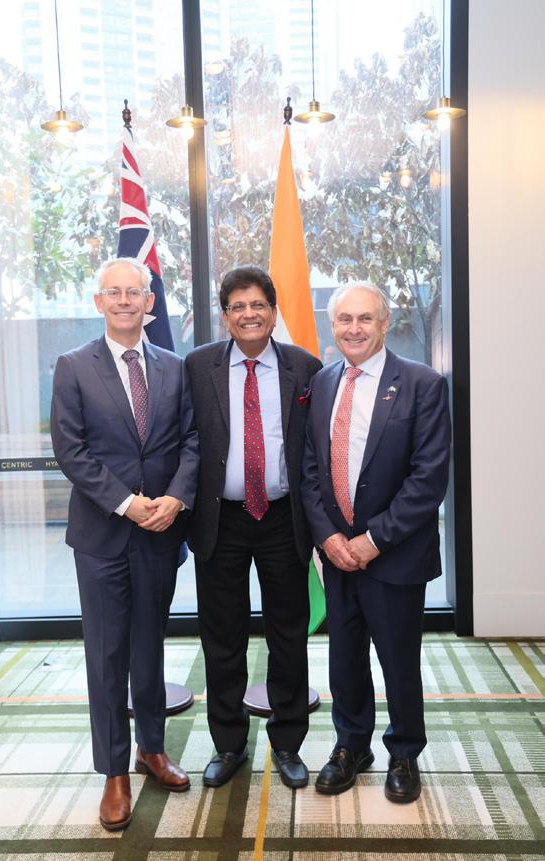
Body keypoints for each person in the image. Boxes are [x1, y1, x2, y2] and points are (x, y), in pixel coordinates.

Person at [50, 258, 199, 830]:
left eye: (133, 292)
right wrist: (125, 503)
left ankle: (151, 750)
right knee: (107, 656)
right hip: (102, 535)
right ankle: (114, 772)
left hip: (161, 531)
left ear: (149, 302)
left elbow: (192, 441)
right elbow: (71, 450)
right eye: (112, 292)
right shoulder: (73, 366)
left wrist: (176, 498)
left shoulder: (175, 367)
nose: (123, 300)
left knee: (149, 649)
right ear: (99, 302)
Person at [302, 282, 450, 802]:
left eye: (365, 318)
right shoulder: (322, 383)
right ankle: (351, 745)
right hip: (338, 554)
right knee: (344, 659)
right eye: (344, 319)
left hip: (394, 555)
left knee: (398, 660)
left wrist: (373, 541)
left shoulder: (423, 383)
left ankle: (404, 752)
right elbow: (310, 469)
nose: (354, 329)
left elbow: (429, 479)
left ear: (385, 323)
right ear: (333, 325)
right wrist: (329, 538)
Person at [185, 266, 322, 790]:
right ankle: (228, 743)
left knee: (288, 634)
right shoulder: (197, 366)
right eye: (237, 306)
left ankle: (287, 743)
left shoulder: (304, 367)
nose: (248, 314)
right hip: (220, 519)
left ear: (273, 311)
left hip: (283, 518)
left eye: (258, 305)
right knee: (222, 637)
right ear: (224, 316)